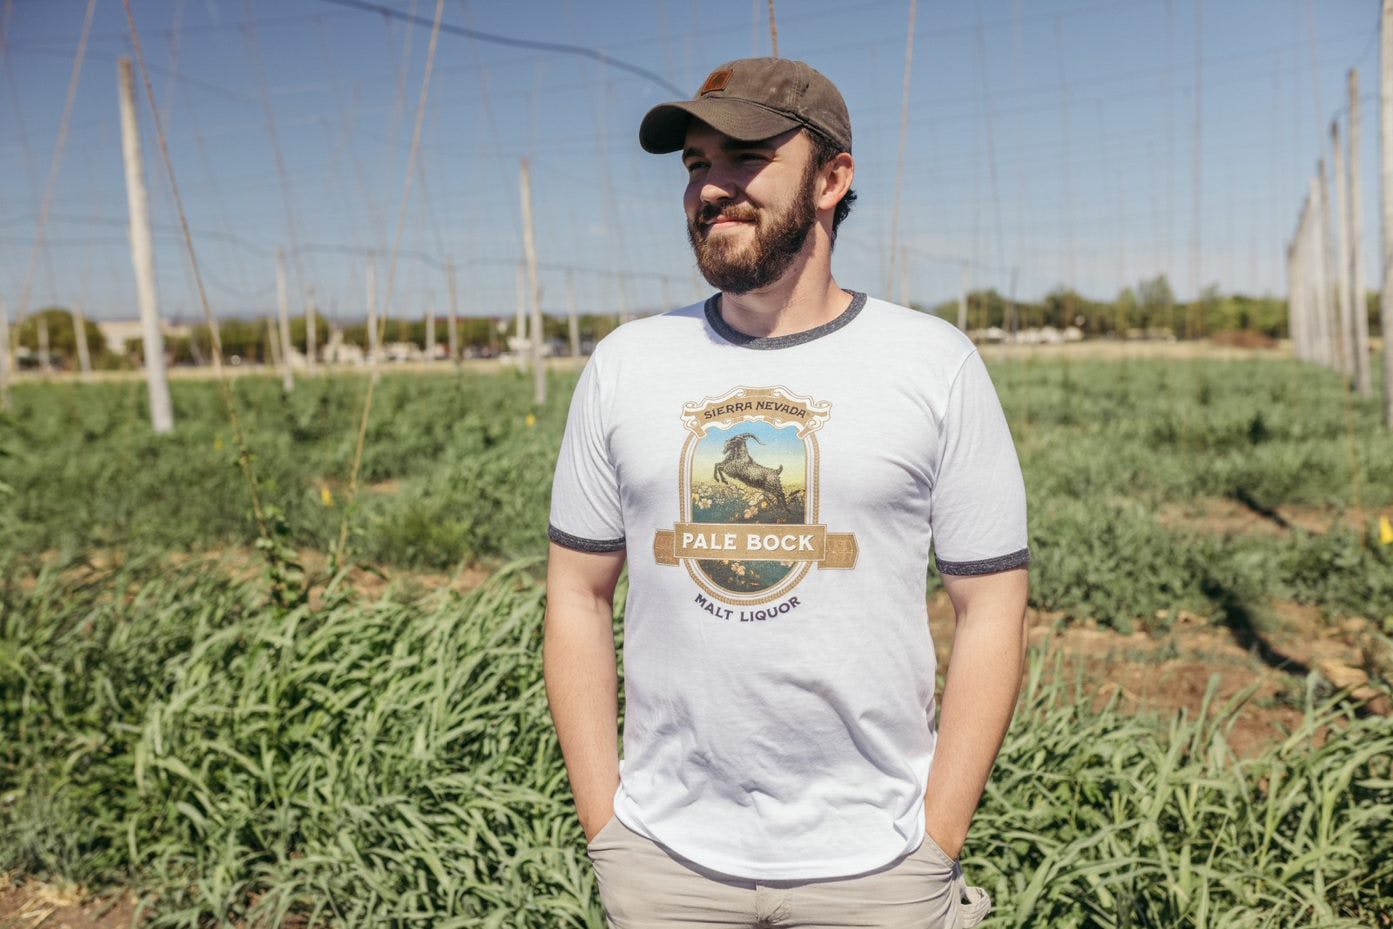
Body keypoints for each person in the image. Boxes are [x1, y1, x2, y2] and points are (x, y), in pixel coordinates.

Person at [544, 56, 1030, 929]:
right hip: (663, 861)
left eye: (746, 157)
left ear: (831, 179)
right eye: (696, 164)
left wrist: (935, 840)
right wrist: (608, 832)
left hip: (877, 864)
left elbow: (992, 606)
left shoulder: (932, 363)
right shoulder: (627, 363)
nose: (711, 187)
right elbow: (576, 593)